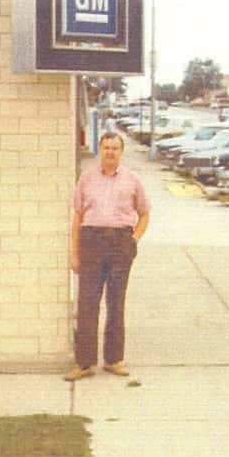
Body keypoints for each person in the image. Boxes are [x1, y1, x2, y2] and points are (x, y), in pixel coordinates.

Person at [64, 130, 151, 381]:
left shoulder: (132, 180)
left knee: (116, 302)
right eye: (106, 147)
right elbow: (77, 217)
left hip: (120, 243)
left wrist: (133, 239)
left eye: (115, 148)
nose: (110, 152)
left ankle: (114, 360)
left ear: (121, 152)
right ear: (100, 150)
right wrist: (75, 253)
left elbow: (144, 213)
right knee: (87, 303)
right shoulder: (87, 179)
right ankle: (85, 363)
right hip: (91, 241)